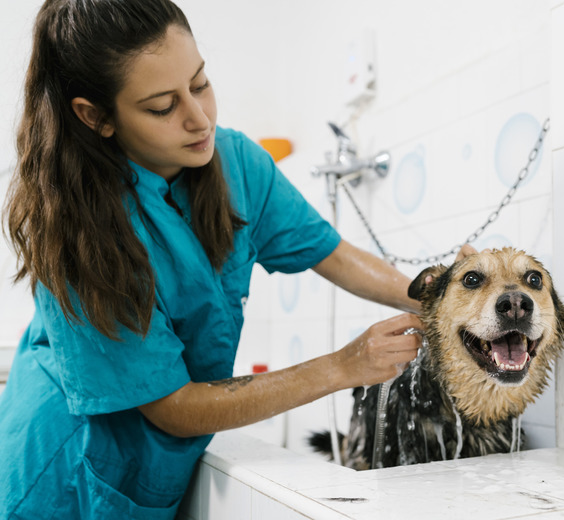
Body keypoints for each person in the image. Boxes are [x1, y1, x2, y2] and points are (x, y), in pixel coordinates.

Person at [0, 0, 459, 517]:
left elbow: (332, 254)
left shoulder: (237, 164)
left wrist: (444, 297)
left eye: (200, 84)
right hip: (61, 469)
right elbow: (174, 407)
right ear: (96, 117)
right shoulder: (78, 232)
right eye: (161, 107)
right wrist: (342, 367)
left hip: (148, 474)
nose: (200, 120)